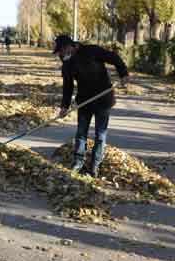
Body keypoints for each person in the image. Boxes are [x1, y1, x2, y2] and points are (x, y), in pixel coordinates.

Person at [53, 35, 129, 178]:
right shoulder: (67, 63)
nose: (61, 54)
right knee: (81, 134)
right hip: (84, 101)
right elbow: (68, 86)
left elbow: (114, 58)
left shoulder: (92, 50)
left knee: (100, 135)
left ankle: (95, 165)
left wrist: (123, 74)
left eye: (62, 51)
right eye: (60, 53)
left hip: (103, 98)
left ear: (69, 46)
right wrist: (64, 106)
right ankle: (78, 162)